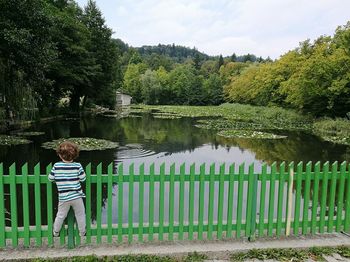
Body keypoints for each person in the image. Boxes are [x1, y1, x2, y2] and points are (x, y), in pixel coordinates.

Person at [49, 141, 86, 237]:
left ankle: (56, 231)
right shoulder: (78, 166)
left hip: (63, 197)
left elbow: (50, 178)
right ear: (75, 155)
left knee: (60, 215)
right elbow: (83, 179)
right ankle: (82, 232)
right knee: (80, 214)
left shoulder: (56, 166)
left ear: (60, 155)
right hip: (77, 196)